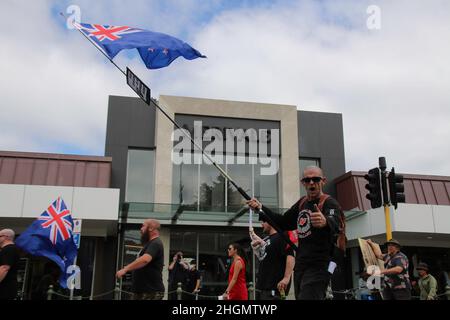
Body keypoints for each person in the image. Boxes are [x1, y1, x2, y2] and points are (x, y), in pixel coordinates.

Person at [247, 166, 341, 300]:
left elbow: (336, 223)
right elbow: (282, 222)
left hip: (319, 265)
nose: (311, 183)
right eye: (307, 180)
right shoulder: (302, 203)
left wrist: (325, 221)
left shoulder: (329, 202)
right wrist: (261, 208)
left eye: (315, 179)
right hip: (301, 265)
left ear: (323, 181)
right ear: (303, 183)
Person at [116, 219, 165, 300]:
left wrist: (125, 269)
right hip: (141, 292)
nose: (141, 229)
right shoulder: (149, 244)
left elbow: (145, 259)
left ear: (151, 228)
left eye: (143, 226)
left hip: (150, 292)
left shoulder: (156, 243)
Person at [250, 220, 295, 300]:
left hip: (273, 290)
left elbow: (290, 255)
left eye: (263, 221)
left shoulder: (282, 236)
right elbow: (264, 257)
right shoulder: (267, 239)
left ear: (270, 221)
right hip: (262, 289)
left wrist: (286, 278)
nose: (261, 224)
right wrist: (257, 245)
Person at [0, 229, 20, 300]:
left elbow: (4, 268)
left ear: (6, 237)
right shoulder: (11, 249)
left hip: (5, 288)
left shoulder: (8, 249)